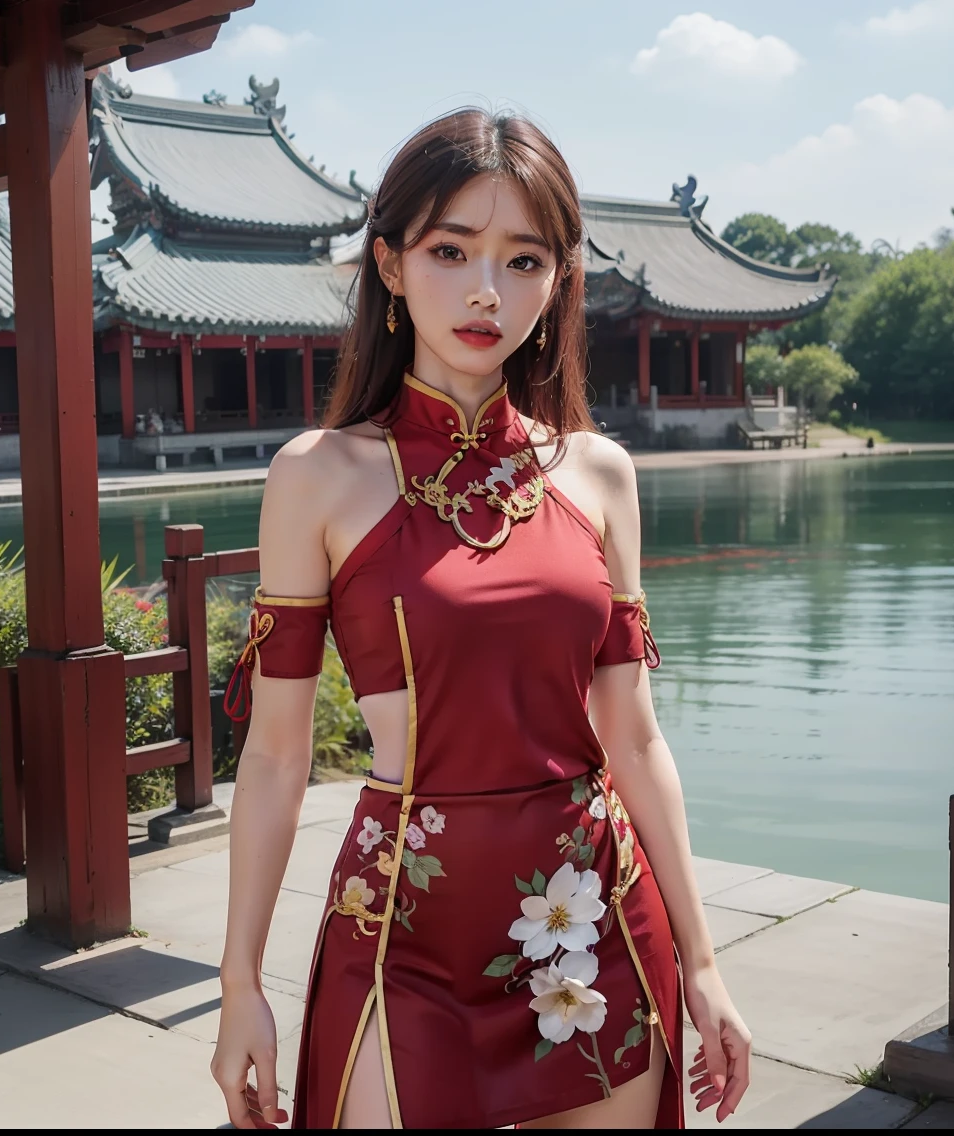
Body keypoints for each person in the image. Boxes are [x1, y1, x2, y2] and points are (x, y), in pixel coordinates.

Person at [208, 109, 753, 1130]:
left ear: (556, 283)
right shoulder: (316, 477)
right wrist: (239, 982)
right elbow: (276, 757)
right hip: (403, 924)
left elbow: (632, 735)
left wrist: (706, 960)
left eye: (521, 259)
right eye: (449, 249)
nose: (482, 291)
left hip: (587, 920)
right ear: (389, 263)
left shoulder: (597, 475)